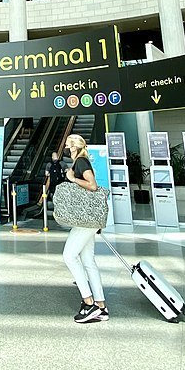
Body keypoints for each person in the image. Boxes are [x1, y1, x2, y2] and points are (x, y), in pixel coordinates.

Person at [62, 134, 109, 324]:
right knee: (88, 261)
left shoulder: (80, 162)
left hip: (85, 221)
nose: (66, 147)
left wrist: (72, 178)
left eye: (67, 145)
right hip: (89, 219)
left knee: (69, 256)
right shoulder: (82, 160)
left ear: (74, 146)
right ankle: (101, 307)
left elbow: (92, 185)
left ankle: (88, 303)